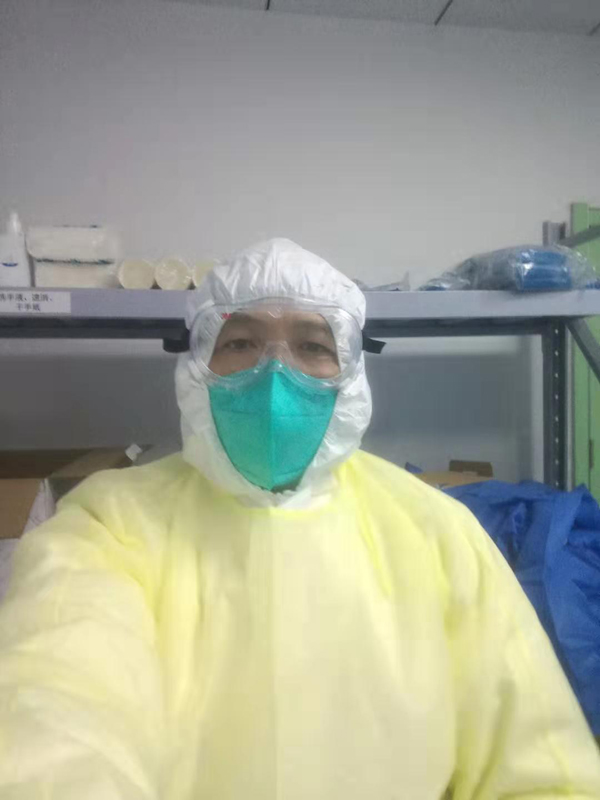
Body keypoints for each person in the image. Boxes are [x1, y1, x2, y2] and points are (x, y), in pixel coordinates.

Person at [0, 237, 599, 799]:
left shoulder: (437, 532)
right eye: (241, 343)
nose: (274, 374)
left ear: (353, 370)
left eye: (312, 346)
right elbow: (56, 707)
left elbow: (542, 762)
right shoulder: (108, 525)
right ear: (197, 361)